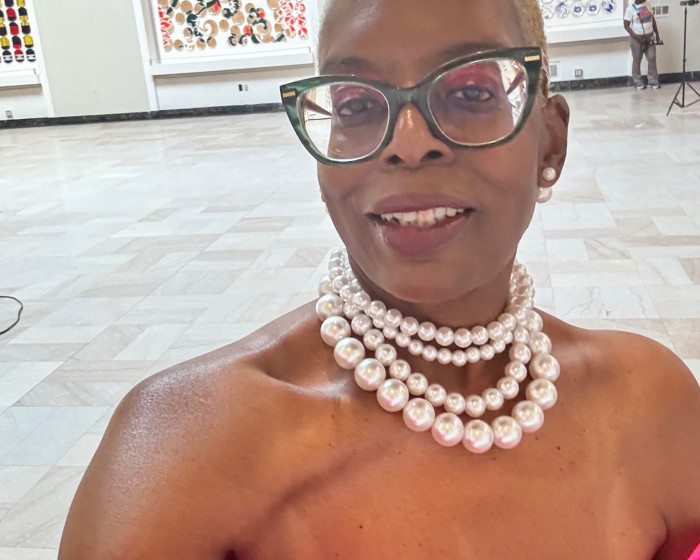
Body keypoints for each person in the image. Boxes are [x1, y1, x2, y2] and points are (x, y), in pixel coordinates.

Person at [58, 0, 700, 558]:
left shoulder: (652, 406)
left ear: (550, 142)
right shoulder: (188, 449)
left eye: (471, 93)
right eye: (358, 104)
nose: (409, 143)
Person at [624, 0, 662, 90]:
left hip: (649, 36)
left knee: (652, 58)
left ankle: (653, 81)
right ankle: (637, 81)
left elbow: (653, 20)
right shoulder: (630, 9)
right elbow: (626, 25)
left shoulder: (648, 4)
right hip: (636, 38)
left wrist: (657, 34)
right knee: (637, 59)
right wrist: (636, 37)